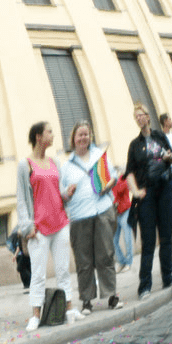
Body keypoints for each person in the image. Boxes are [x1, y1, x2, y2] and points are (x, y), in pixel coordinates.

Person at [16, 121, 83, 330]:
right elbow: (21, 200)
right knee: (38, 273)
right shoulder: (25, 165)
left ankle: (69, 307)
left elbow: (58, 192)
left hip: (60, 222)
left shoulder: (54, 161)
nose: (53, 135)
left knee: (63, 269)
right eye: (49, 132)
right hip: (39, 229)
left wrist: (67, 194)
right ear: (38, 136)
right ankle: (35, 314)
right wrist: (28, 227)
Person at [59, 121, 120, 313]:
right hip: (79, 216)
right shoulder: (67, 166)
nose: (83, 138)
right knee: (84, 261)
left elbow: (113, 176)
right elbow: (61, 195)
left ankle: (111, 296)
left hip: (102, 210)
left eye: (86, 134)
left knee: (106, 255)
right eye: (80, 135)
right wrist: (67, 192)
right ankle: (86, 300)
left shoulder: (99, 156)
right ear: (73, 139)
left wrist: (109, 184)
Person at [124, 103, 172, 298]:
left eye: (141, 115)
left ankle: (168, 276)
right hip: (147, 194)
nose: (139, 119)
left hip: (165, 189)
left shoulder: (159, 136)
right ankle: (144, 285)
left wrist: (169, 157)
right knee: (148, 241)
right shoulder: (134, 145)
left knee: (166, 235)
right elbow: (129, 172)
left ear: (148, 116)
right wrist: (135, 191)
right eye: (135, 116)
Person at [112, 167, 133, 272]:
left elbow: (119, 191)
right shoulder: (111, 183)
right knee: (113, 240)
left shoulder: (122, 180)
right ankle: (122, 262)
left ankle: (129, 263)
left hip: (125, 212)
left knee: (127, 238)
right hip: (116, 214)